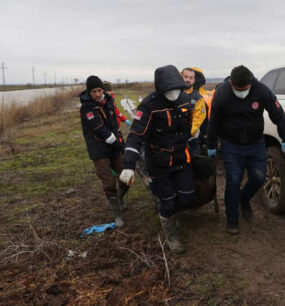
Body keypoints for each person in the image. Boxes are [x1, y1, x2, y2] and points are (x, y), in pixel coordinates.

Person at [207, 65, 285, 234]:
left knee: (259, 177)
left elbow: (278, 115)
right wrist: (210, 144)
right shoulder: (222, 94)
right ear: (231, 83)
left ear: (250, 82)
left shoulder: (261, 91)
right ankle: (232, 219)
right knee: (233, 180)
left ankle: (244, 199)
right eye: (238, 89)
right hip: (231, 144)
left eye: (245, 89)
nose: (242, 92)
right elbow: (214, 122)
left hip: (255, 143)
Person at [119, 65, 194, 254]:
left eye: (176, 89)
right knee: (167, 201)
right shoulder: (148, 106)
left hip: (181, 158)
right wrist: (128, 165)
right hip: (159, 163)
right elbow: (135, 135)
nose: (173, 94)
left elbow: (188, 124)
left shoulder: (185, 100)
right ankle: (171, 235)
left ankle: (173, 214)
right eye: (169, 91)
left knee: (186, 197)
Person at [79, 75, 129, 227]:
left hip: (115, 146)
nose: (97, 94)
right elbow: (97, 125)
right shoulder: (86, 108)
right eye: (94, 91)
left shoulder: (109, 101)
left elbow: (114, 123)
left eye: (100, 90)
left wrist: (119, 141)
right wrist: (108, 136)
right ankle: (117, 214)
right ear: (89, 92)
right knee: (108, 181)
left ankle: (120, 197)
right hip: (98, 149)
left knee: (125, 177)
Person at [181, 68, 206, 156]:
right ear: (181, 77)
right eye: (186, 77)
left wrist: (189, 132)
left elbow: (199, 116)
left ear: (194, 80)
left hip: (192, 139)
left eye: (191, 78)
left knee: (194, 163)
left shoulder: (198, 97)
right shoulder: (174, 94)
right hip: (174, 138)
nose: (188, 80)